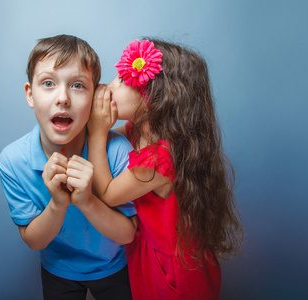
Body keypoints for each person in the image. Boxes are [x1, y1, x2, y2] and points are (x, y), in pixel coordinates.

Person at [87, 39, 243, 299]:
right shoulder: (138, 131)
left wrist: (96, 133)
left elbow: (106, 193)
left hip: (172, 272)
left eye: (123, 81)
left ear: (154, 99)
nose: (109, 86)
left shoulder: (159, 160)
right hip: (154, 253)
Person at [0, 34, 137, 300]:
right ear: (30, 94)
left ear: (95, 97)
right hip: (58, 270)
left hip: (114, 267)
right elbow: (34, 241)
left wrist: (87, 202)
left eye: (77, 85)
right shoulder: (12, 161)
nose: (62, 98)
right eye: (48, 83)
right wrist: (58, 204)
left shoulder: (118, 151)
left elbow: (128, 235)